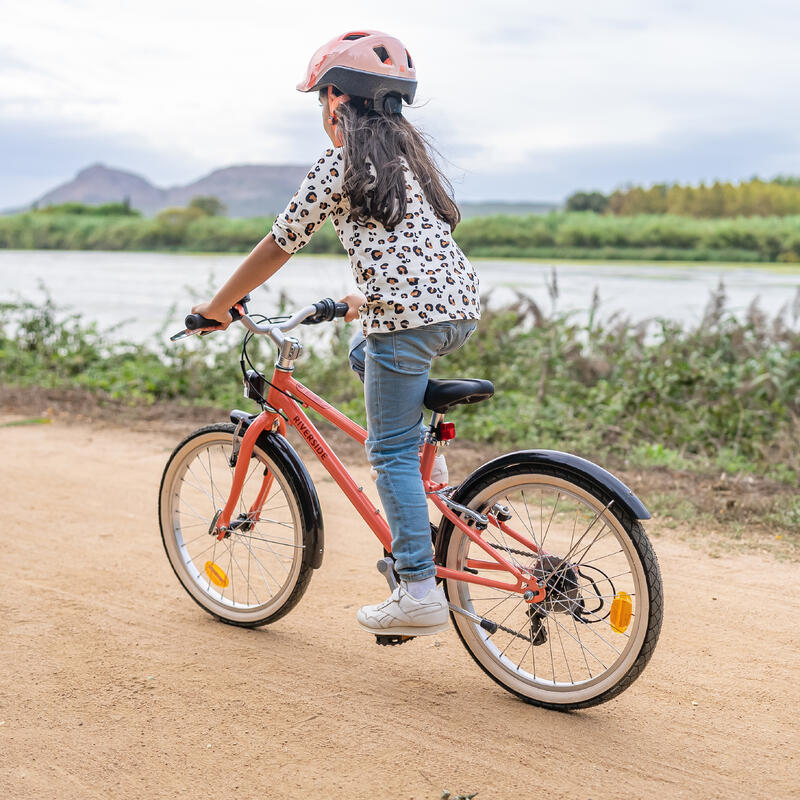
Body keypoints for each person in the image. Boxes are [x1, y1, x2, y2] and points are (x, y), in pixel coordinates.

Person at [190, 30, 481, 637]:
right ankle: (435, 478)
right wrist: (361, 298)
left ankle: (418, 588)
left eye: (321, 98)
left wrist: (219, 306)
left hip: (405, 323)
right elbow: (410, 249)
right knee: (366, 356)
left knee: (387, 449)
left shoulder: (341, 165)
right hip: (455, 312)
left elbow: (279, 244)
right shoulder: (409, 163)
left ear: (335, 100)